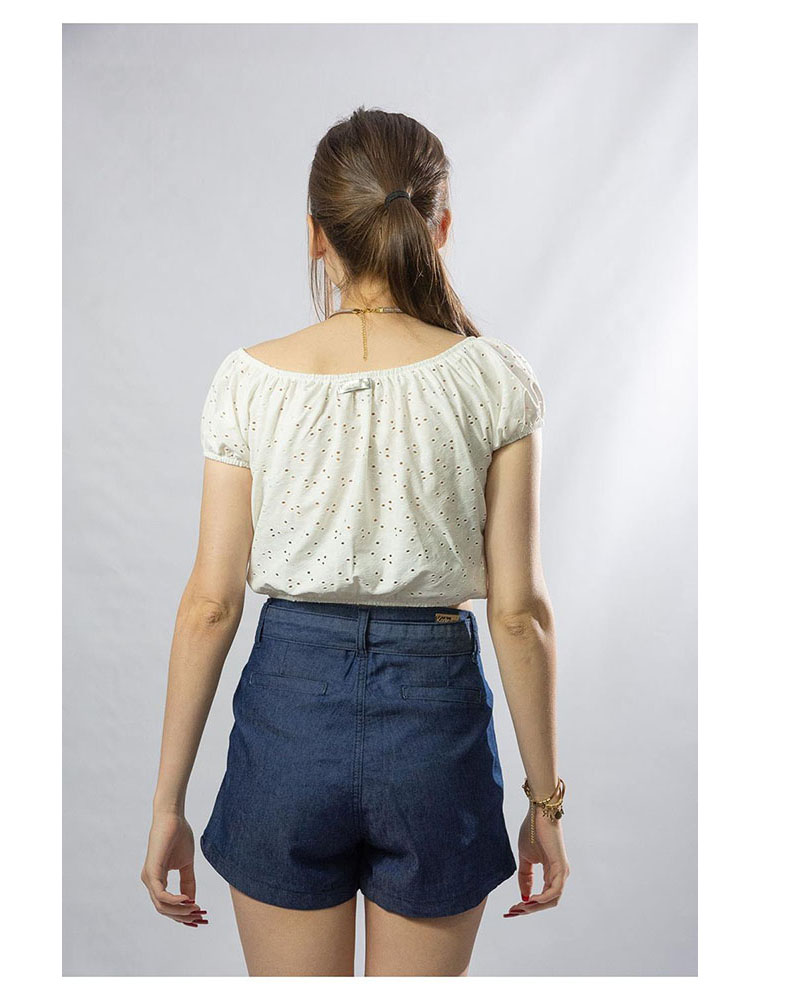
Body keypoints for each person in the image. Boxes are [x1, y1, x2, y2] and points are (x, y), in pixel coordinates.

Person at [141, 106, 569, 976]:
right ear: (438, 228)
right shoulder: (493, 379)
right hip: (436, 726)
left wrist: (166, 806)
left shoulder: (249, 382)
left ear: (315, 235)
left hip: (288, 717)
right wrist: (545, 803)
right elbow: (518, 613)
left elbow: (210, 605)